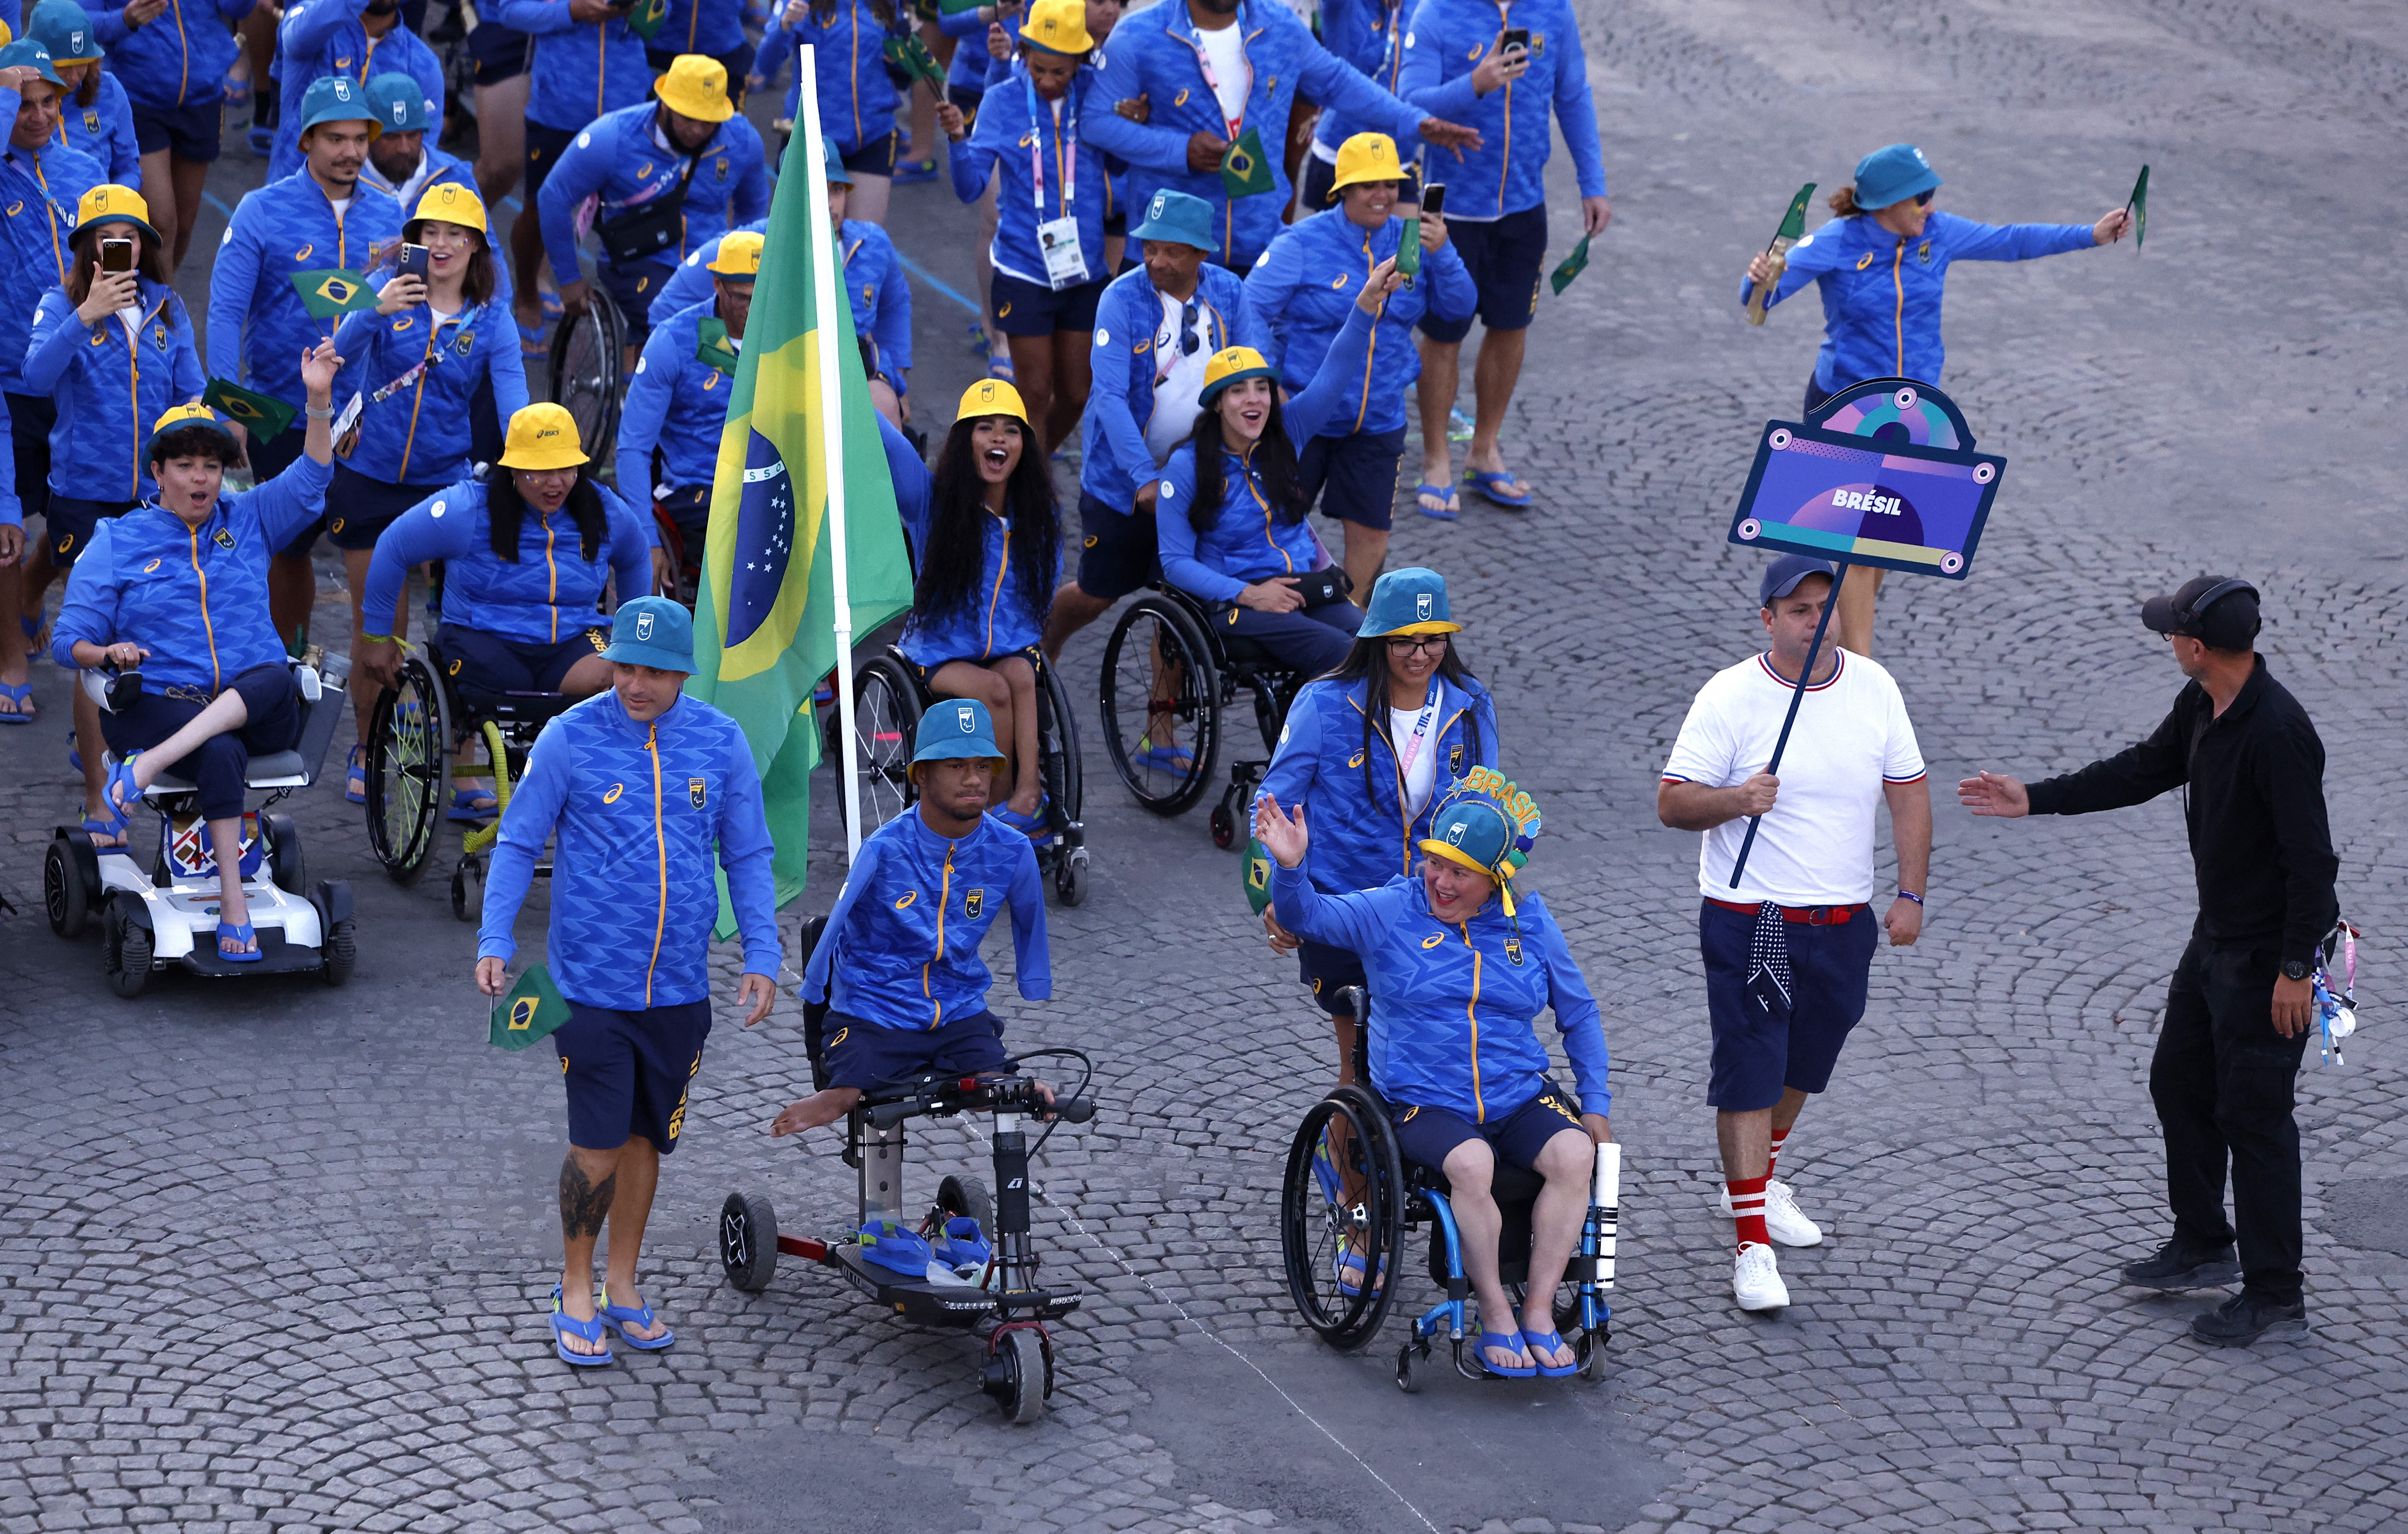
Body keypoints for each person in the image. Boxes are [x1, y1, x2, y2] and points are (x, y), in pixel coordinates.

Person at [1959, 578, 2337, 1349]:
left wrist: (2296, 970)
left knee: (2255, 1118)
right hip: (2216, 941)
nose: (2166, 641)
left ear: (2197, 647)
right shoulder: (2202, 707)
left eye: (2172, 633)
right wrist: (2033, 797)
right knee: (2179, 1081)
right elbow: (2142, 768)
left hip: (2268, 956)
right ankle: (2202, 1239)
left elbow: (2312, 863)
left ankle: (2275, 1293)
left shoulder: (2277, 732)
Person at [474, 593, 781, 1367]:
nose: (636, 683)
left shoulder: (721, 741)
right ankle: (574, 1286)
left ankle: (623, 1284)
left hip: (679, 992)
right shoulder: (569, 738)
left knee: (647, 1141)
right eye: (625, 666)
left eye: (655, 670)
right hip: (585, 992)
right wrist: (495, 938)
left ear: (684, 672)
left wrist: (762, 954)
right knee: (599, 1144)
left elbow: (747, 854)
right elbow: (516, 842)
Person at [1253, 772, 1610, 1377]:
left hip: (1515, 1093)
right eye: (1434, 863)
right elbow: (1306, 915)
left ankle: (1541, 1312)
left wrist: (1594, 1103)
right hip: (1424, 1101)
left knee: (1576, 1154)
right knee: (1472, 1165)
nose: (1440, 881)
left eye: (1459, 872)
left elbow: (1577, 1011)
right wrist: (1292, 868)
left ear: (1493, 880)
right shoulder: (1391, 909)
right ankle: (1495, 1312)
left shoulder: (1529, 923)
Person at [1655, 555, 1928, 1313]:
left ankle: (1759, 1177)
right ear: (1768, 619)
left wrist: (1909, 891)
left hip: (1843, 917)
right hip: (1753, 915)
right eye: (1799, 610)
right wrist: (1738, 798)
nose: (1816, 622)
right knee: (1750, 1065)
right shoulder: (1731, 695)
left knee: (1807, 1058)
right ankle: (1751, 1241)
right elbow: (1673, 804)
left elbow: (1907, 791)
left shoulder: (1873, 687)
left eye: (1824, 607)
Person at [1742, 144, 2132, 657]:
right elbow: (1760, 301)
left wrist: (2091, 234)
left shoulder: (1937, 233)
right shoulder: (1836, 242)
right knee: (1858, 545)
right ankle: (1860, 672)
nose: (1930, 206)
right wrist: (1759, 281)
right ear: (1885, 203)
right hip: (1846, 404)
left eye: (1931, 196)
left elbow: (2008, 240)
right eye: (1920, 198)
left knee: (1879, 544)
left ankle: (1835, 644)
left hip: (1912, 413)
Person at [48, 344, 343, 956]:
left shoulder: (251, 516)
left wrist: (318, 399)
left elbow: (314, 476)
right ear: (158, 474)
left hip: (252, 707)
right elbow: (66, 639)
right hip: (159, 704)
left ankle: (149, 769)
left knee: (270, 677)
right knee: (220, 746)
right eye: (185, 465)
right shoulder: (117, 541)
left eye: (211, 465)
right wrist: (105, 654)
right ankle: (233, 901)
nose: (201, 478)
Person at [326, 181, 527, 801]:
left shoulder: (493, 320)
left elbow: (513, 395)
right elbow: (337, 353)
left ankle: (465, 767)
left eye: (455, 234)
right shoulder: (386, 295)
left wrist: (522, 462)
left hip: (444, 483)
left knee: (465, 624)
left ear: (477, 247)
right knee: (376, 626)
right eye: (429, 233)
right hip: (369, 478)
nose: (440, 245)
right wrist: (375, 311)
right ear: (413, 241)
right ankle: (368, 748)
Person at [770, 696, 1051, 1138]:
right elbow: (836, 923)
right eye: (956, 766)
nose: (974, 779)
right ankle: (838, 1093)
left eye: (983, 766)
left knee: (1005, 1089)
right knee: (852, 1088)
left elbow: (1031, 918)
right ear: (921, 774)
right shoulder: (884, 848)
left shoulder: (1012, 850)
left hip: (958, 1010)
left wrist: (1035, 980)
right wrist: (813, 992)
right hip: (875, 1010)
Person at [1256, 564, 1494, 1068]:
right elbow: (1271, 808)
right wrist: (1269, 897)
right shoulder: (1322, 704)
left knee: (1432, 1059)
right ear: (1376, 640)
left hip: (1437, 911)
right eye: (1404, 640)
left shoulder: (1472, 705)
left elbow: (1487, 812)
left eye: (1433, 639)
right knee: (1360, 1065)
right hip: (1344, 909)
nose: (1420, 653)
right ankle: (1339, 1149)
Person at [25, 183, 203, 829]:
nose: (118, 248)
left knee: (148, 627)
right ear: (84, 249)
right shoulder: (59, 304)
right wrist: (86, 316)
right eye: (105, 238)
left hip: (153, 496)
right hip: (83, 494)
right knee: (95, 639)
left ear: (146, 247)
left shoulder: (168, 308)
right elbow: (35, 376)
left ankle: (119, 741)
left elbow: (192, 393)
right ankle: (98, 789)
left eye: (130, 237)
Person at [206, 73, 405, 645]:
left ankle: (382, 684)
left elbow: (396, 320)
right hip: (281, 413)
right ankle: (285, 666)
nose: (350, 152)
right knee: (287, 551)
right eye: (335, 139)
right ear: (306, 140)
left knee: (372, 550)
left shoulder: (390, 214)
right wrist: (230, 411)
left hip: (358, 421)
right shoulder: (260, 211)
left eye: (360, 139)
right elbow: (225, 314)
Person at [1080, 0, 1476, 274]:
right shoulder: (1138, 35)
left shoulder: (1280, 27)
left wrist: (1415, 122)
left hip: (1259, 247)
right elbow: (1096, 122)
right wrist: (1179, 151)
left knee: (1252, 390)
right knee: (1160, 391)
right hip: (1168, 250)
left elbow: (1337, 81)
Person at [1399, 0, 1607, 517]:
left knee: (1511, 326)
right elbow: (1410, 104)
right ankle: (1435, 459)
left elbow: (1573, 96)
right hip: (1451, 209)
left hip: (1522, 206)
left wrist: (1593, 183)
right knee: (1444, 333)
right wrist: (1477, 82)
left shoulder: (1552, 11)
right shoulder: (1437, 14)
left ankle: (1484, 449)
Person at [1154, 256, 1399, 679]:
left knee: (1385, 648)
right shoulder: (1186, 466)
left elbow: (1335, 372)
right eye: (1237, 391)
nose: (1253, 400)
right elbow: (1175, 562)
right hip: (1237, 605)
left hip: (1306, 588)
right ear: (1216, 404)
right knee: (1344, 657)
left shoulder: (1289, 433)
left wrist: (1365, 305)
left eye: (1261, 388)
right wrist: (1248, 593)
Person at [1245, 132, 1470, 583]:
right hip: (1303, 422)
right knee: (1273, 531)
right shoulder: (1300, 243)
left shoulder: (1413, 245)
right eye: (1369, 185)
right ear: (1342, 189)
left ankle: (1351, 638)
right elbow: (1248, 308)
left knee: (1371, 539)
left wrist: (1443, 252)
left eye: (1390, 184)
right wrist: (1269, 384)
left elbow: (1459, 309)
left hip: (1379, 423)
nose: (1382, 195)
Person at [1041, 188, 1245, 659]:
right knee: (1096, 595)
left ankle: (1164, 724)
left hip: (1200, 477)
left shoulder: (1230, 293)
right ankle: (1041, 654)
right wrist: (1143, 478)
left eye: (1171, 251)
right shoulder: (1120, 298)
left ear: (1200, 253)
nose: (1156, 260)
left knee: (1180, 603)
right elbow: (1108, 397)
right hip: (1124, 485)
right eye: (1150, 247)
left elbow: (1247, 372)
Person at [355, 403, 652, 715]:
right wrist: (377, 636)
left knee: (626, 678)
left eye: (566, 469)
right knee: (505, 681)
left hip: (571, 641)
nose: (555, 483)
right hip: (484, 637)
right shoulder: (466, 508)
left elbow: (635, 557)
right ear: (513, 468)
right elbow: (394, 545)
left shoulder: (603, 508)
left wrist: (632, 638)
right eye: (540, 471)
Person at [886, 378, 1058, 836]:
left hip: (1004, 647)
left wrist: (1020, 640)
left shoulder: (1037, 515)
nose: (998, 438)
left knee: (1022, 674)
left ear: (1025, 444)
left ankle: (1028, 797)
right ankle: (992, 813)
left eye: (1010, 430)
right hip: (937, 652)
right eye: (985, 428)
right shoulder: (931, 501)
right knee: (995, 690)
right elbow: (885, 440)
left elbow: (1042, 588)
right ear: (966, 441)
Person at [935, 0, 1107, 454]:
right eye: (1038, 69)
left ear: (1079, 62)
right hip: (1023, 270)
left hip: (1085, 270)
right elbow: (971, 188)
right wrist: (956, 141)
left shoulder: (1100, 93)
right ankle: (1037, 500)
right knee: (1034, 393)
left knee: (1077, 393)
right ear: (1024, 53)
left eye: (1060, 72)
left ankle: (1027, 468)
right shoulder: (1001, 100)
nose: (1048, 81)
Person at [532, 53, 770, 362]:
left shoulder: (743, 140)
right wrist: (568, 280)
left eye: (708, 122)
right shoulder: (612, 137)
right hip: (639, 261)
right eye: (689, 118)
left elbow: (753, 210)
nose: (698, 130)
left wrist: (746, 268)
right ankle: (658, 395)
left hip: (710, 263)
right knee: (701, 344)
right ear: (666, 104)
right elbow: (553, 196)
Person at [0, 45, 101, 725]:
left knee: (77, 522)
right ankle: (9, 657)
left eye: (48, 102)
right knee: (5, 523)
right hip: (6, 382)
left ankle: (35, 590)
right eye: (22, 104)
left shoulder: (86, 171)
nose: (37, 116)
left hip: (76, 378)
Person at [493, 0, 652, 356]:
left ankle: (635, 321)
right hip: (558, 107)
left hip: (625, 104)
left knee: (637, 214)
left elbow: (663, 17)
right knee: (538, 208)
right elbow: (510, 11)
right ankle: (527, 293)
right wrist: (573, 10)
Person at [615, 229, 757, 588]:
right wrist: (646, 538)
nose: (754, 309)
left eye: (763, 296)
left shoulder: (790, 338)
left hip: (769, 479)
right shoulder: (673, 341)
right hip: (700, 489)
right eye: (742, 298)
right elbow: (633, 447)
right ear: (718, 286)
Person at [91, 0, 252, 270]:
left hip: (204, 96)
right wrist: (125, 19)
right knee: (161, 222)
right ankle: (153, 309)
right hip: (137, 99)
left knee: (184, 226)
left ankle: (157, 296)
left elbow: (239, 9)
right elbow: (78, 22)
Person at [749, 0, 909, 224]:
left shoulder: (886, 3)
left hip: (874, 135)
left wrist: (906, 49)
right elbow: (765, 66)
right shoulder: (799, 3)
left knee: (862, 244)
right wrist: (785, 25)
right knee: (804, 247)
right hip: (813, 138)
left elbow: (904, 71)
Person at [269, 0, 445, 181]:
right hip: (290, 196)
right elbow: (296, 39)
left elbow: (417, 160)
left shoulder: (424, 65)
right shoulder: (313, 22)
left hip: (367, 203)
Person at [1294, 0, 1408, 216]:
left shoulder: (1422, 7)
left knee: (1405, 249)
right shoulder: (1346, 7)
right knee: (1336, 249)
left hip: (1400, 158)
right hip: (1340, 155)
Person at [30, 2, 141, 188]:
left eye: (83, 63)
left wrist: (114, 201)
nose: (75, 77)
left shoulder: (109, 89)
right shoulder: (17, 98)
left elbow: (128, 167)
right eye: (64, 67)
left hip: (100, 212)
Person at [356, 68, 474, 211]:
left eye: (413, 135)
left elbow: (481, 233)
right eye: (392, 137)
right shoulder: (340, 183)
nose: (404, 148)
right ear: (367, 134)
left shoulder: (456, 177)